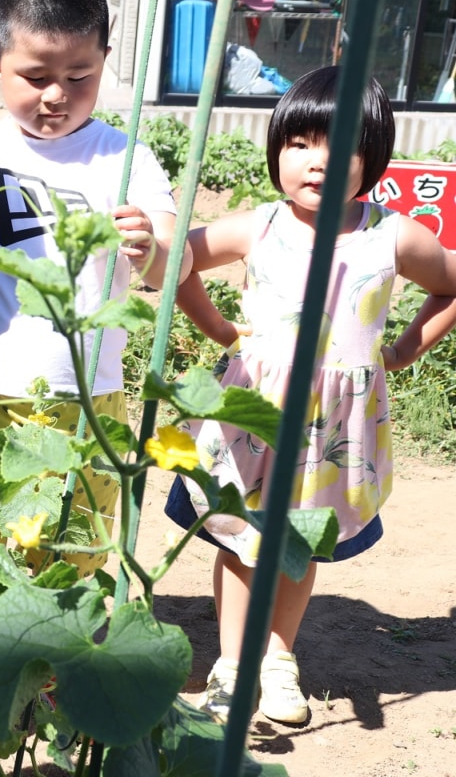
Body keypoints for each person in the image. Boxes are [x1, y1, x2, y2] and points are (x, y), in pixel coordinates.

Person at [0, 0, 181, 766]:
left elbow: (169, 262)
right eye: (35, 76)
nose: (56, 95)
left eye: (79, 76)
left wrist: (149, 245)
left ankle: (55, 684)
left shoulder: (127, 158)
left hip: (88, 398)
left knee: (74, 549)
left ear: (106, 63)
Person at [167, 65, 456, 725]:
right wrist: (218, 329)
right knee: (241, 542)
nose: (317, 161)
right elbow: (178, 258)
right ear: (276, 150)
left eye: (340, 145)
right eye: (299, 143)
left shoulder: (393, 234)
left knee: (301, 544)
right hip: (254, 415)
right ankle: (232, 665)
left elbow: (449, 284)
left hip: (334, 429)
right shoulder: (260, 225)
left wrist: (403, 350)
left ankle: (277, 659)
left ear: (373, 157)